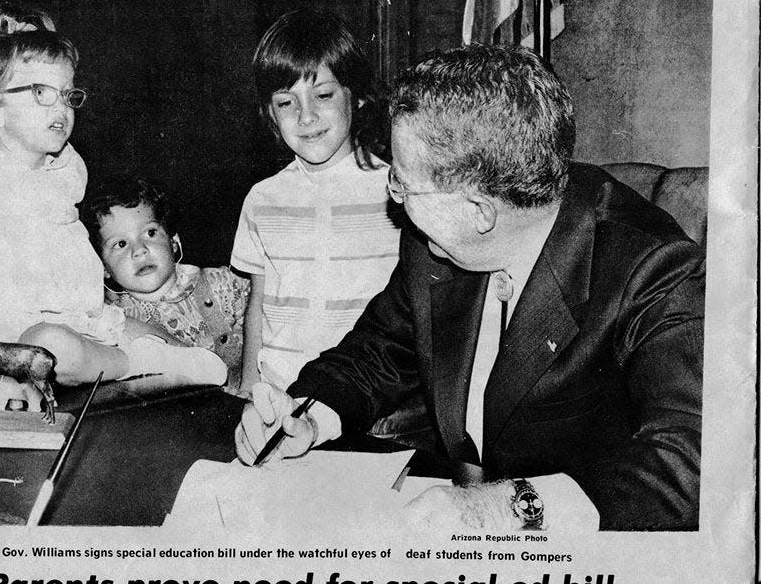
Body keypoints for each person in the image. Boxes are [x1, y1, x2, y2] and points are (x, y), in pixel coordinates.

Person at [235, 44, 704, 531]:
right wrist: (306, 417)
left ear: (479, 211)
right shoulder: (438, 243)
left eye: (402, 185)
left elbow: (689, 465)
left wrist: (504, 510)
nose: (393, 195)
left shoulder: (657, 271)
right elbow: (376, 351)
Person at [0, 4, 225, 410]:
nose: (61, 109)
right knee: (51, 345)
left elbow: (79, 295)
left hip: (64, 320)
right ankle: (137, 364)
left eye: (67, 95)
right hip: (6, 342)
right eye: (40, 93)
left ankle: (172, 358)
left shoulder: (65, 172)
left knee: (144, 329)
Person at [231, 9, 402, 398]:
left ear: (355, 96)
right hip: (279, 393)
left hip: (362, 400)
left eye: (323, 95)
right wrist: (247, 389)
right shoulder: (262, 199)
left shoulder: (394, 190)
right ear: (270, 114)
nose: (307, 117)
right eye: (286, 103)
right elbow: (258, 303)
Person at [87, 174, 249, 393]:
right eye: (121, 244)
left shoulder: (220, 284)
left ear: (174, 242)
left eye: (150, 233)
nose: (140, 250)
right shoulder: (115, 320)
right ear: (103, 268)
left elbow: (265, 319)